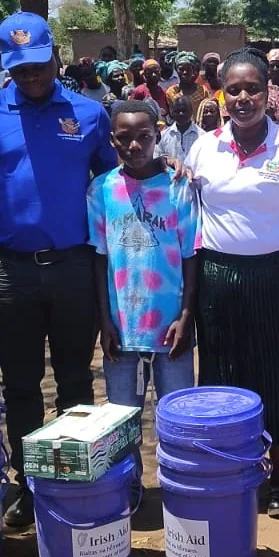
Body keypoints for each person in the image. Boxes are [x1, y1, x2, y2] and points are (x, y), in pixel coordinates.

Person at [0, 12, 116, 533]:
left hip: (72, 269)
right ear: (7, 68)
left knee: (74, 381)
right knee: (20, 386)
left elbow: (114, 186)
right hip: (9, 273)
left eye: (39, 65)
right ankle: (29, 483)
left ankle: (73, 479)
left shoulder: (89, 114)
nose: (32, 76)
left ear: (56, 57)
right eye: (20, 70)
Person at [183, 49, 279, 518]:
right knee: (225, 373)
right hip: (218, 278)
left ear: (270, 93)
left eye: (253, 89)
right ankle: (237, 470)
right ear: (222, 94)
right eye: (234, 89)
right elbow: (185, 212)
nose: (243, 98)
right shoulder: (204, 147)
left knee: (277, 375)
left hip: (277, 277)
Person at [88, 101, 200, 413]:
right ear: (112, 140)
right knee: (122, 424)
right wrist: (104, 320)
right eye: (124, 137)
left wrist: (186, 316)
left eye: (144, 136)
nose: (134, 145)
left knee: (177, 419)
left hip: (170, 329)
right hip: (122, 330)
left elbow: (191, 254)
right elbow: (100, 257)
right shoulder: (101, 190)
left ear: (157, 136)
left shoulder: (177, 186)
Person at [157, 94, 202, 162]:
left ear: (192, 111)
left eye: (184, 110)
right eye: (177, 111)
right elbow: (157, 159)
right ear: (172, 112)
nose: (181, 113)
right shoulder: (163, 136)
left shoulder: (202, 136)